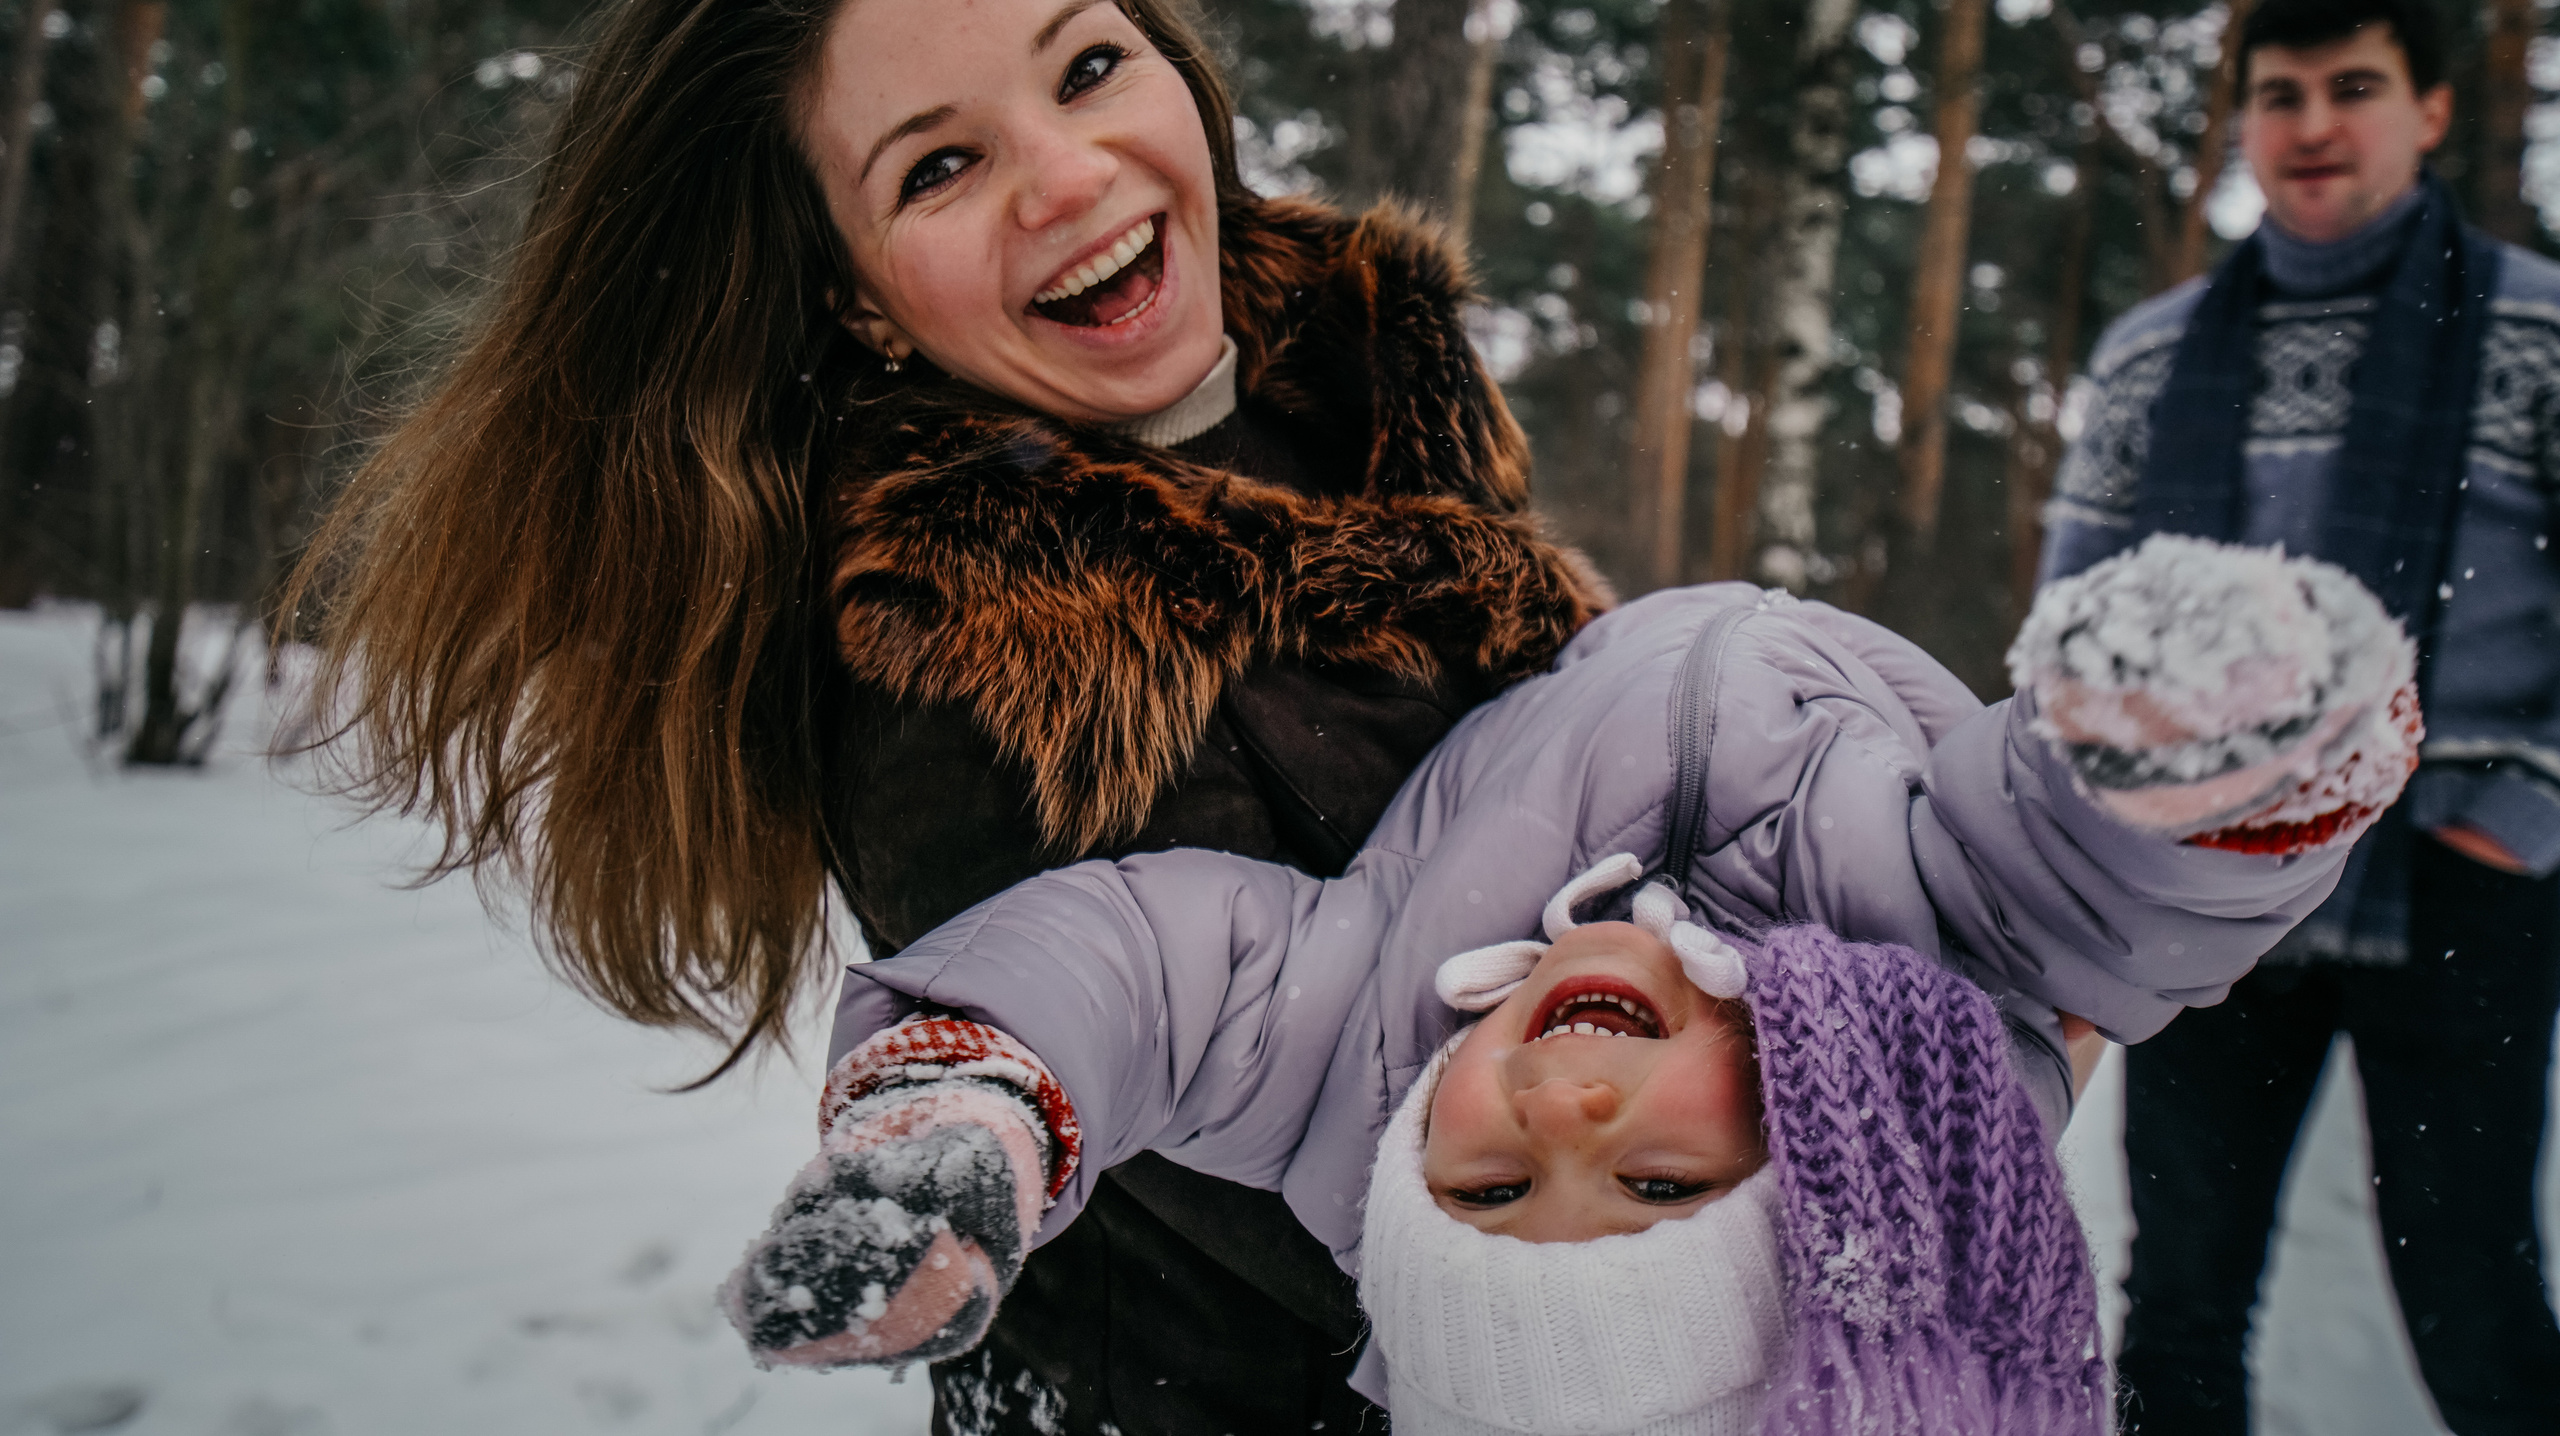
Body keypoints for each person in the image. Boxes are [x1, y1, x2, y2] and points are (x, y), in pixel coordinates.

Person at [290, 0, 1610, 1436]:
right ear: (854, 293)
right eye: (937, 165)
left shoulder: (1368, 378)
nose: (1069, 178)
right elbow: (1365, 1228)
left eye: (1087, 69)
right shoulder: (971, 656)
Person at [723, 535, 2420, 1434]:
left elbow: (1150, 969)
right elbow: (2096, 892)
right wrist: (2216, 753)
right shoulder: (1918, 1002)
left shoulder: (1358, 1067)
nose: (1560, 1103)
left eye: (1488, 1186)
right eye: (1658, 1184)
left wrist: (969, 1104)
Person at [2041, 0, 2560, 1433]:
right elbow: (2078, 624)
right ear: (2245, 127)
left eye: (2354, 88)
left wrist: (2519, 812)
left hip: (2456, 878)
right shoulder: (2155, 356)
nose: (2313, 123)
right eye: (2280, 96)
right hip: (2207, 884)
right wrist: (2121, 833)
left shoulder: (2537, 328)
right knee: (2181, 1302)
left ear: (2432, 109)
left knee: (2475, 1302)